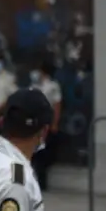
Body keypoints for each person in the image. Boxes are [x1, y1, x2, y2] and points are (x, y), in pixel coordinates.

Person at [29, 59, 63, 190]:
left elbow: (57, 105)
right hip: (34, 120)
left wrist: (54, 123)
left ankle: (42, 182)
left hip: (45, 121)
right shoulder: (35, 85)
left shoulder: (53, 86)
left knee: (43, 152)